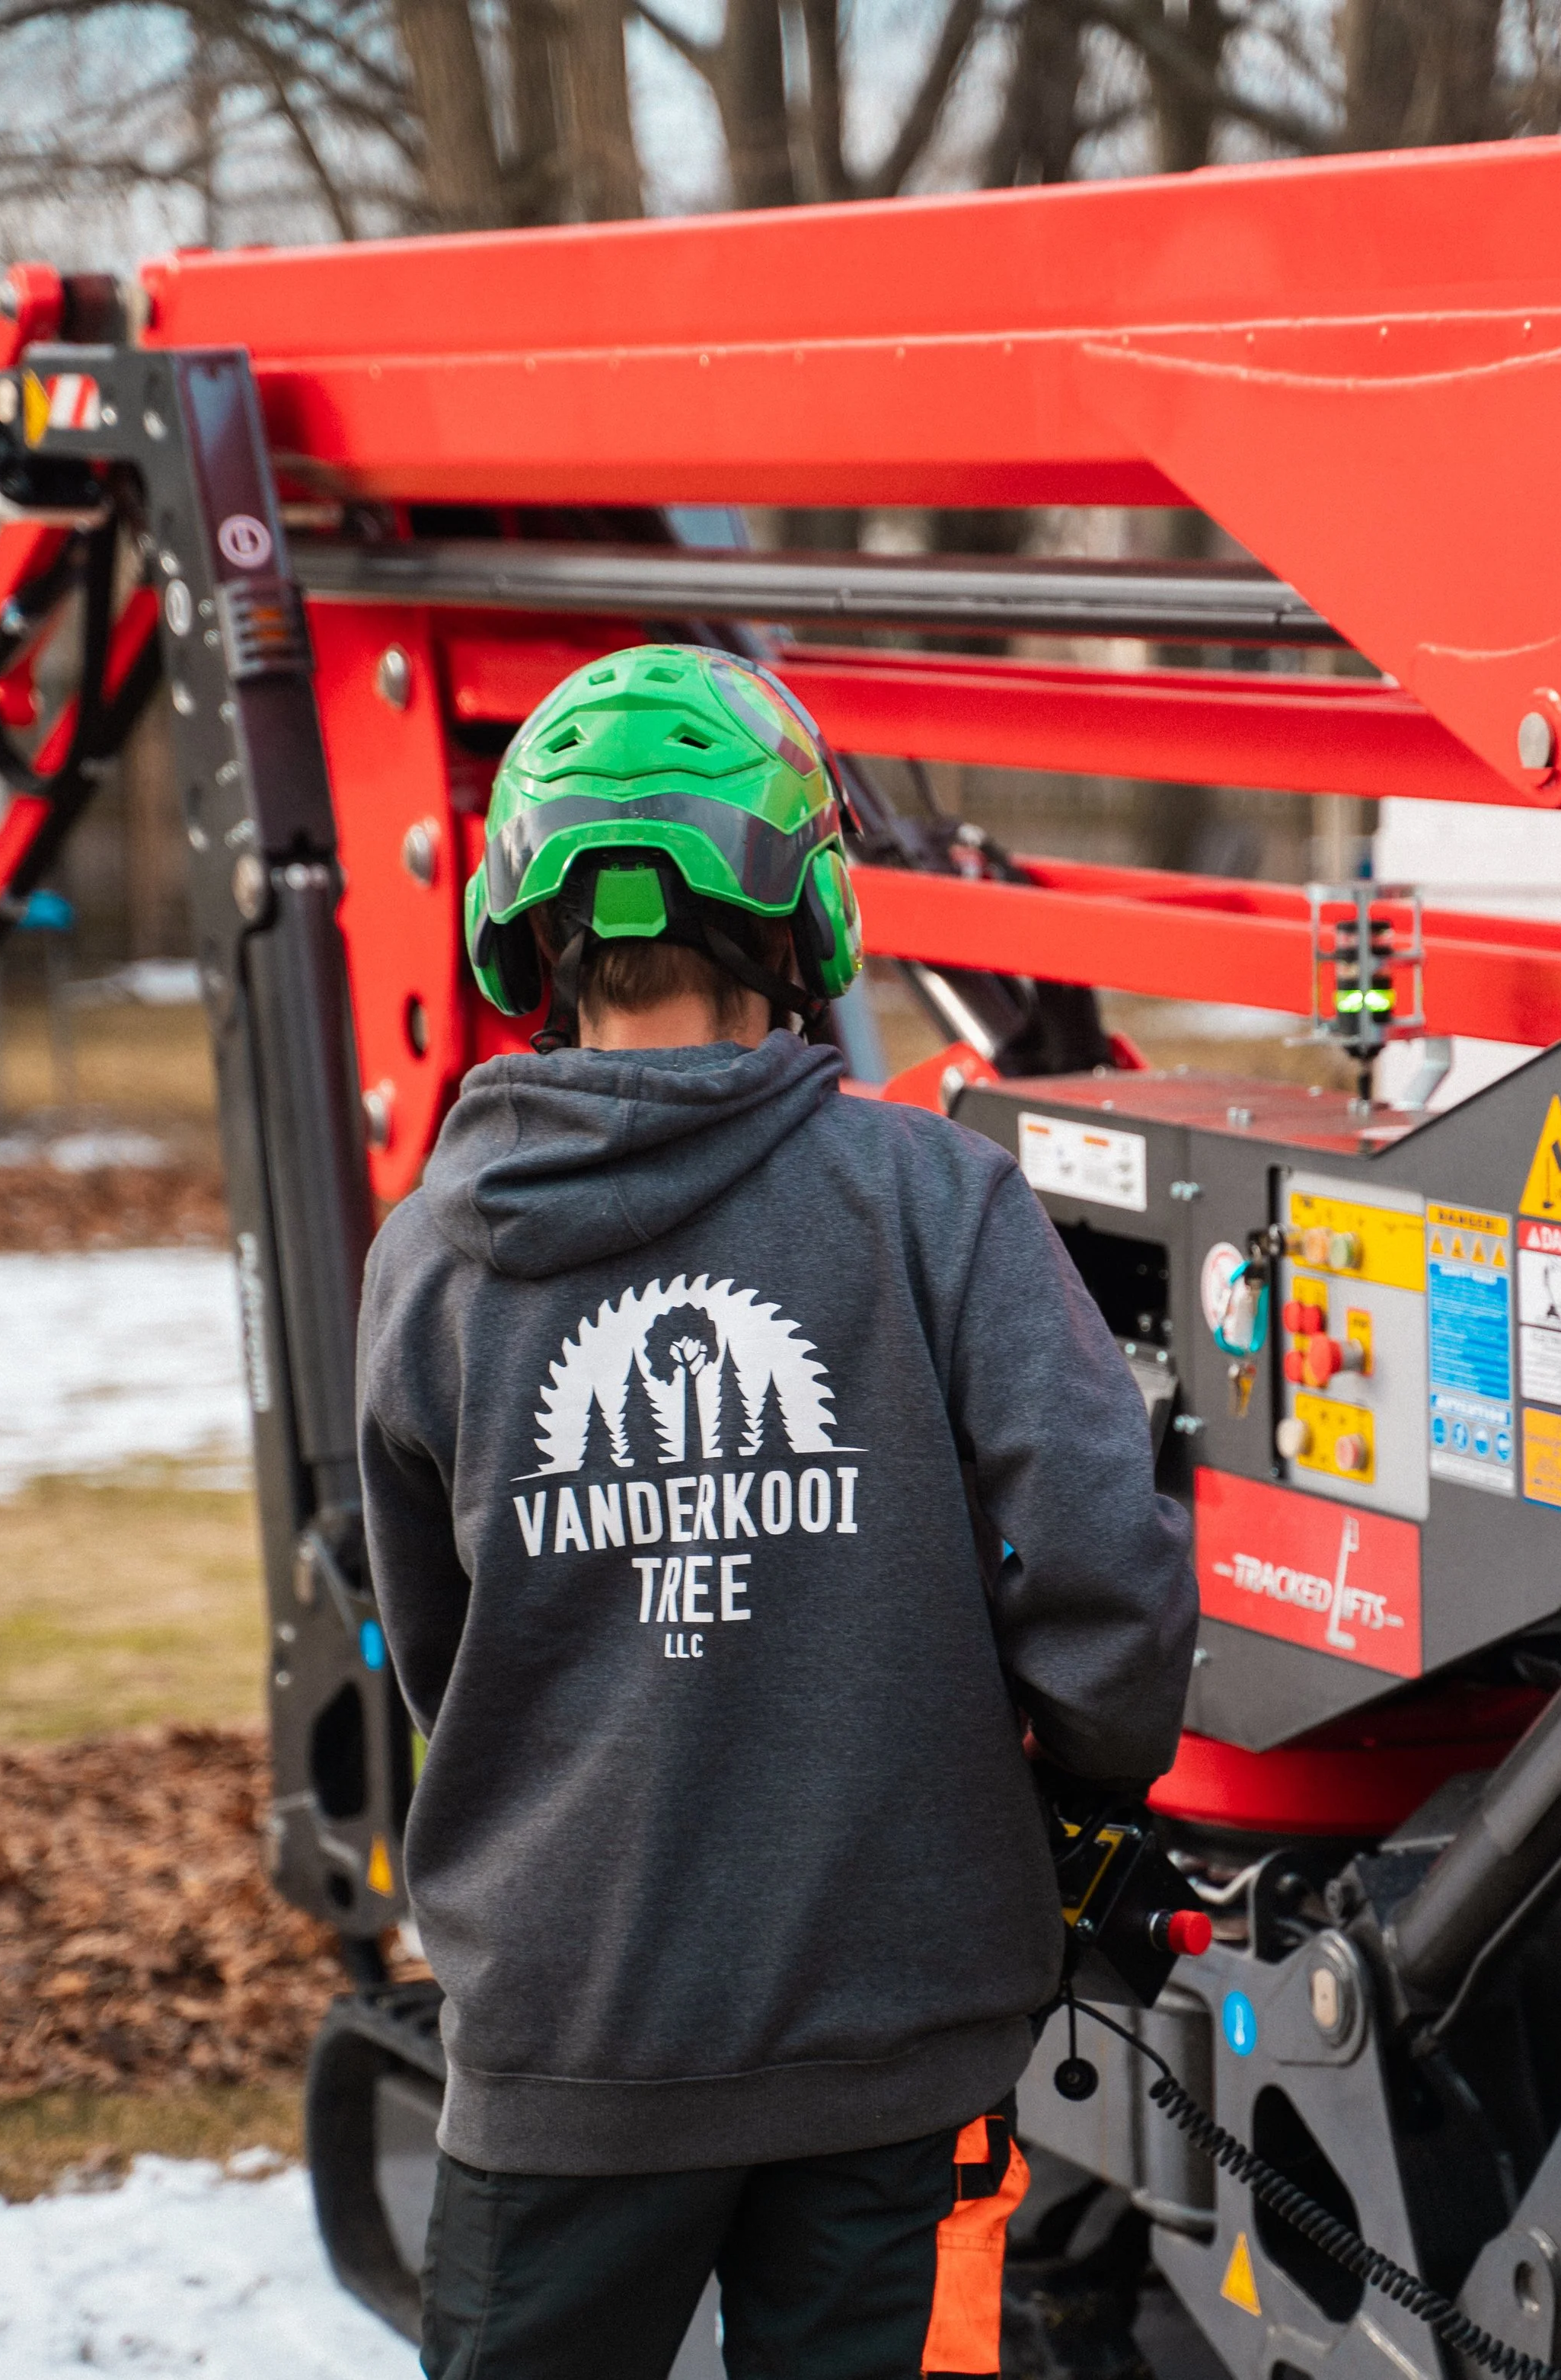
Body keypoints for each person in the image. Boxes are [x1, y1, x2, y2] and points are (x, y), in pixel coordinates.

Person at [355, 643, 1198, 2379]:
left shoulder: (431, 1257)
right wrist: (1081, 1797)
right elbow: (1106, 1587)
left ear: (526, 929)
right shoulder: (936, 1202)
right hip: (889, 2044)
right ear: (800, 906)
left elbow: (449, 1657)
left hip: (564, 2052)